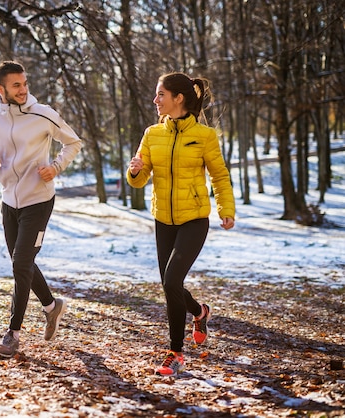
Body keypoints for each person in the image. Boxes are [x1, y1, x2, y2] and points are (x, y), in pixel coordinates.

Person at [127, 72, 235, 376]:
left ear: (179, 98)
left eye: (161, 94)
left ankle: (176, 352)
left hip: (194, 219)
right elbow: (139, 179)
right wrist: (134, 171)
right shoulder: (152, 134)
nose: (155, 100)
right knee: (169, 284)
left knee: (172, 281)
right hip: (163, 219)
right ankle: (200, 312)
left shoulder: (205, 136)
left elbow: (219, 175)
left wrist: (226, 208)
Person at [0, 61, 83, 358]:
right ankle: (52, 306)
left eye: (24, 83)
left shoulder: (42, 114)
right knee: (21, 262)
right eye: (16, 86)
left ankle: (13, 334)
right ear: (1, 90)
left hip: (39, 199)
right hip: (9, 200)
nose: (23, 90)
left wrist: (56, 167)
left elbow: (73, 142)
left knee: (20, 264)